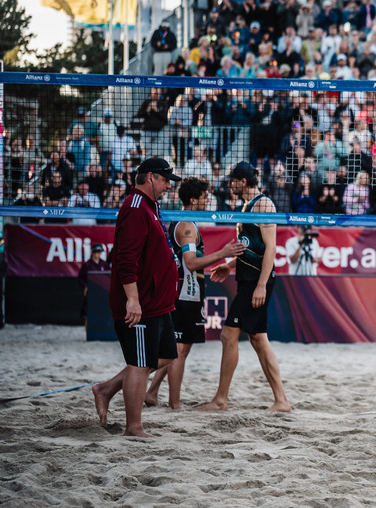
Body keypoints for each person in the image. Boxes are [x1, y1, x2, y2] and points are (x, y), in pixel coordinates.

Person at [91, 157, 181, 437]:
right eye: (166, 180)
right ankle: (134, 427)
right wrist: (133, 299)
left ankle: (106, 388)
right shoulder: (134, 208)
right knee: (140, 364)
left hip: (158, 301)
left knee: (165, 356)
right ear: (151, 177)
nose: (169, 186)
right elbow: (126, 258)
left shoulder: (150, 207)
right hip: (141, 303)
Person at [198, 162, 292, 412]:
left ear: (243, 181)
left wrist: (261, 285)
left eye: (233, 181)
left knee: (229, 335)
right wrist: (230, 265)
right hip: (247, 279)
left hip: (256, 282)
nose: (230, 185)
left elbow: (271, 247)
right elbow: (251, 249)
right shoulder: (247, 206)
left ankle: (221, 400)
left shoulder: (264, 204)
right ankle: (281, 400)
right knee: (258, 339)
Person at [144, 177, 245, 410]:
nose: (208, 200)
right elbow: (190, 263)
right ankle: (175, 404)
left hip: (187, 290)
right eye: (204, 197)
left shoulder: (186, 221)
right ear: (192, 200)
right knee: (181, 348)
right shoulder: (186, 225)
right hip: (185, 291)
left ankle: (152, 392)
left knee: (177, 346)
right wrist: (224, 253)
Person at [78, 243, 111, 324]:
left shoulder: (104, 264)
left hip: (102, 293)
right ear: (92, 252)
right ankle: (88, 335)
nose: (97, 254)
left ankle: (101, 333)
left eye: (99, 252)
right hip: (91, 293)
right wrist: (85, 286)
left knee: (102, 312)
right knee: (88, 314)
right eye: (96, 252)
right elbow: (80, 278)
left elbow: (109, 277)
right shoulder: (87, 265)